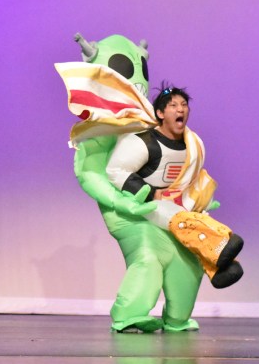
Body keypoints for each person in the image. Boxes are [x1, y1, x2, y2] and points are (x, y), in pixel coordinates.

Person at [104, 83, 243, 332]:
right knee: (148, 258)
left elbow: (191, 180)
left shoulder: (193, 143)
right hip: (134, 213)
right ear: (160, 113)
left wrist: (200, 200)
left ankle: (178, 318)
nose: (181, 109)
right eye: (173, 106)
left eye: (184, 105)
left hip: (172, 213)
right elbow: (116, 170)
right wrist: (148, 193)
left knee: (187, 262)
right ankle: (128, 315)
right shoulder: (142, 142)